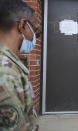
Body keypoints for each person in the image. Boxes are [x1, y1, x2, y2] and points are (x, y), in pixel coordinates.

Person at [0, 0, 40, 130]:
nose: (35, 37)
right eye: (34, 30)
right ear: (22, 25)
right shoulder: (6, 73)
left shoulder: (11, 64)